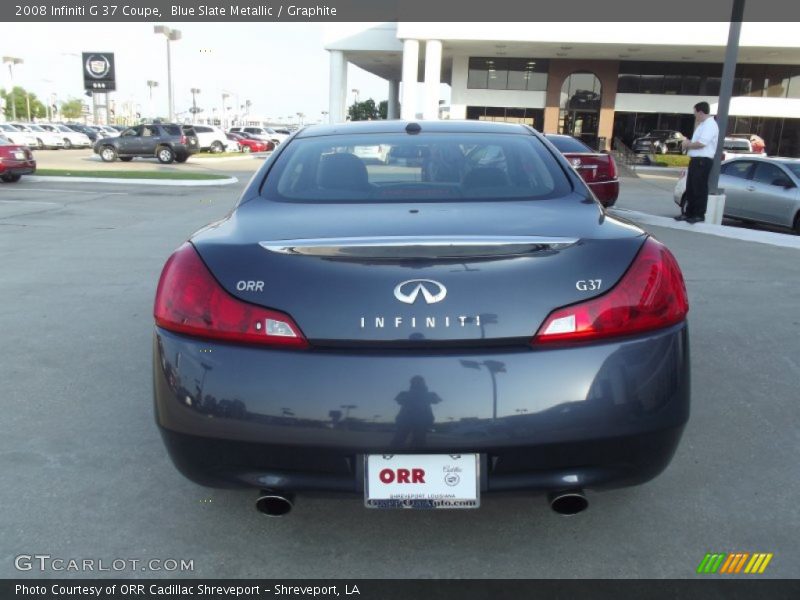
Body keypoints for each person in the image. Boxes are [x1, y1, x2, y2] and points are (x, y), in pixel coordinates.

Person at [676, 101, 719, 224]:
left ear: (700, 112)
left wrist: (687, 144)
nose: (695, 115)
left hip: (703, 161)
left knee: (699, 187)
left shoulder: (710, 125)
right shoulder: (702, 125)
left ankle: (698, 214)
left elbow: (702, 143)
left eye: (695, 113)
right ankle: (689, 213)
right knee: (691, 187)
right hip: (696, 160)